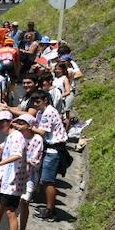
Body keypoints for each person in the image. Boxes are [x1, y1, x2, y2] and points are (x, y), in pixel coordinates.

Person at [26, 90, 69, 221]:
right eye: (34, 102)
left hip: (53, 150)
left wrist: (28, 128)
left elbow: (42, 132)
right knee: (45, 180)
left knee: (47, 181)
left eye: (38, 101)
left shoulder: (48, 112)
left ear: (45, 100)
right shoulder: (42, 111)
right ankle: (50, 207)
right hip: (49, 149)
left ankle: (50, 210)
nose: (35, 104)